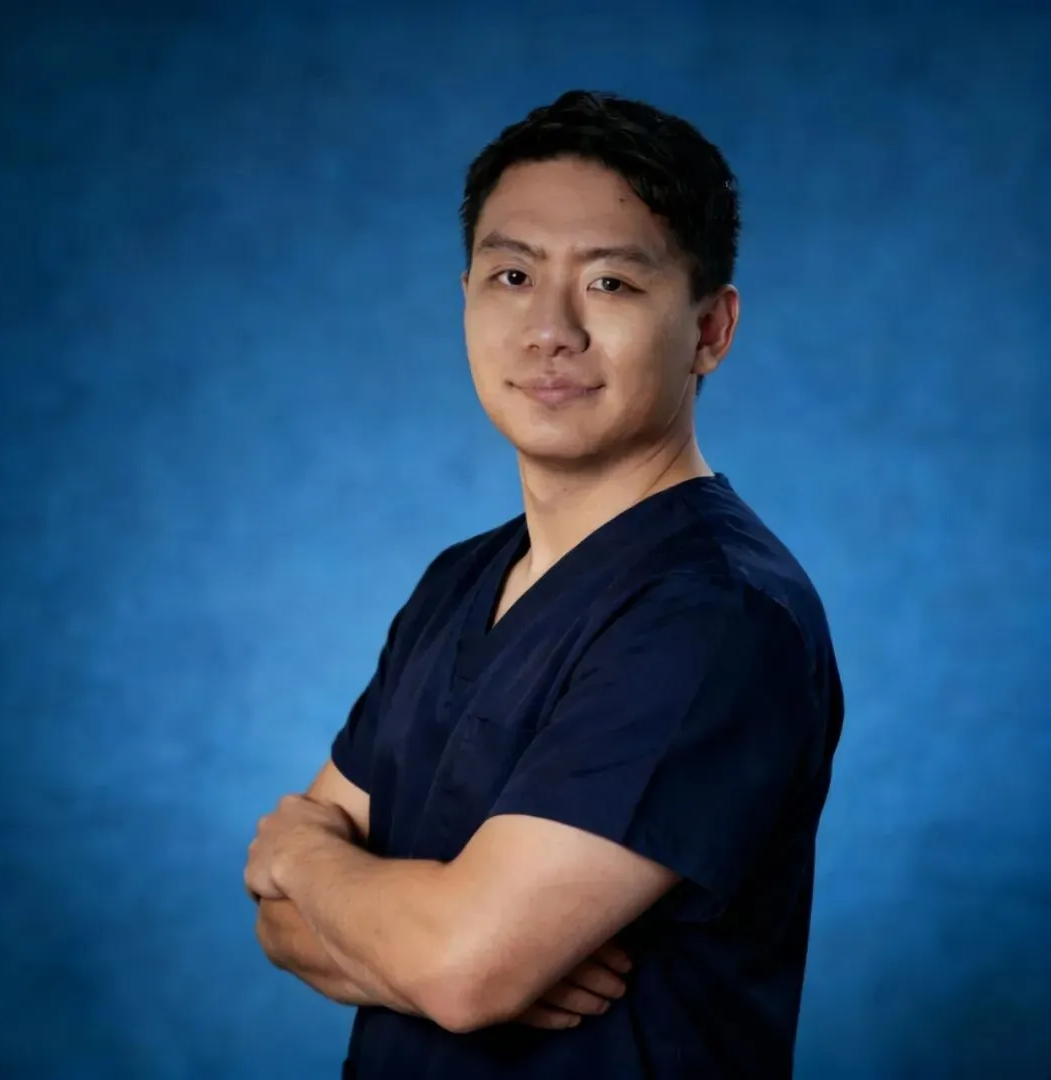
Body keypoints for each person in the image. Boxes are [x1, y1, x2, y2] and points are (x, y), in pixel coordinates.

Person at [245, 89, 845, 1079]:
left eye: (610, 283)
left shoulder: (712, 613)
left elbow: (454, 967)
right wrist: (423, 946)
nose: (549, 328)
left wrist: (306, 857)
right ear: (467, 296)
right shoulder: (458, 581)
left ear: (710, 328)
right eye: (513, 275)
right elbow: (278, 924)